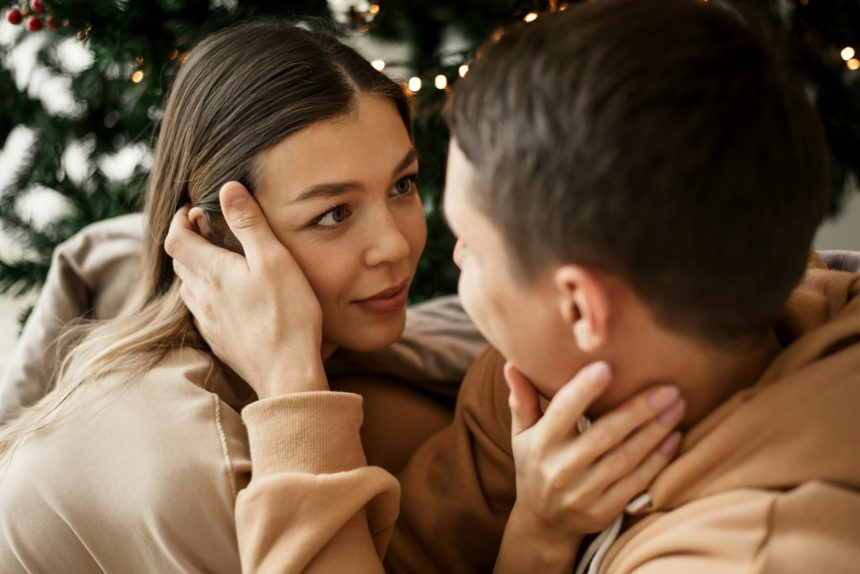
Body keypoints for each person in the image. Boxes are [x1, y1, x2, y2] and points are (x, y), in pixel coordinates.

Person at [166, 0, 860, 572]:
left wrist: (291, 391)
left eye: (472, 245)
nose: (418, 249)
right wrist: (538, 531)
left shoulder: (754, 556)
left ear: (579, 305)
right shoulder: (542, 378)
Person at [0, 19, 682, 574]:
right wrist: (540, 529)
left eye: (403, 185)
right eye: (333, 214)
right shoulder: (181, 457)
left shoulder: (364, 361)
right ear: (218, 241)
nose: (394, 244)